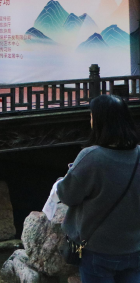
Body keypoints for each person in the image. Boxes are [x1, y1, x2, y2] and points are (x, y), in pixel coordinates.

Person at [57, 95, 140, 283]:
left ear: (100, 122)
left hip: (98, 250)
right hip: (134, 248)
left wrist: (69, 175)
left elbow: (67, 195)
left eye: (92, 116)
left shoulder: (91, 157)